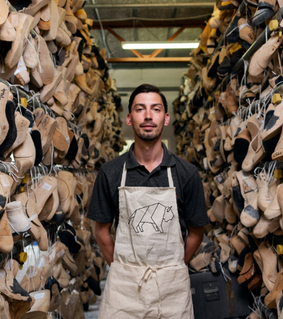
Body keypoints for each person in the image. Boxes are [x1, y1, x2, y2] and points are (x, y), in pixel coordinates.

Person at [87, 83, 208, 318]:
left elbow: (196, 232)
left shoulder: (186, 174)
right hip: (124, 290)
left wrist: (172, 267)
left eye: (156, 109)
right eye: (140, 109)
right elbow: (101, 232)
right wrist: (123, 268)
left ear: (166, 118)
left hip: (172, 289)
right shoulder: (111, 173)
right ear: (129, 118)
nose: (148, 116)